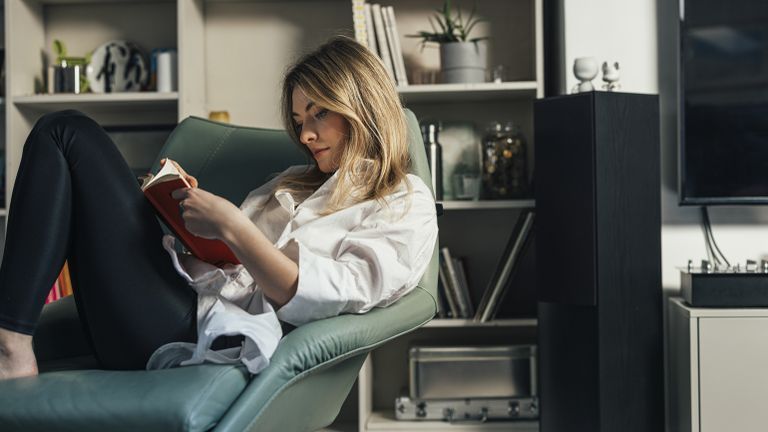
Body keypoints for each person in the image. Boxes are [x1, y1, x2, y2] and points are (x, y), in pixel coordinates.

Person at [0, 36, 438, 380]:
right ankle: (12, 337)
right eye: (300, 121)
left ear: (362, 106)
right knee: (68, 146)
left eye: (318, 113)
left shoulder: (403, 200)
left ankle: (10, 344)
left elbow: (321, 294)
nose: (305, 135)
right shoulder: (289, 182)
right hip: (174, 298)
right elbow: (218, 262)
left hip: (196, 333)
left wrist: (232, 227)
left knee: (66, 133)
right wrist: (175, 215)